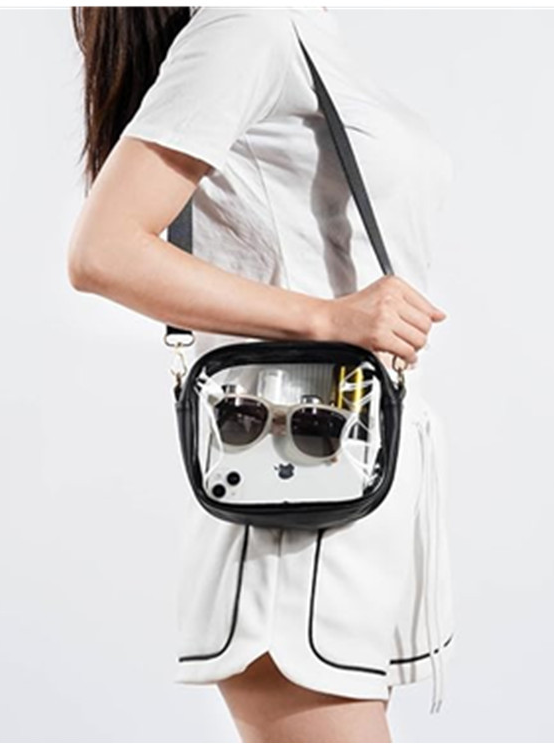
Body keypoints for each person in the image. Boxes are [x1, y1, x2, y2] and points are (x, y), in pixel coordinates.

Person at [68, 6, 456, 743]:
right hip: (298, 517)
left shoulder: (295, 29)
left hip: (347, 488)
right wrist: (330, 319)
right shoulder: (251, 27)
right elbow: (102, 251)